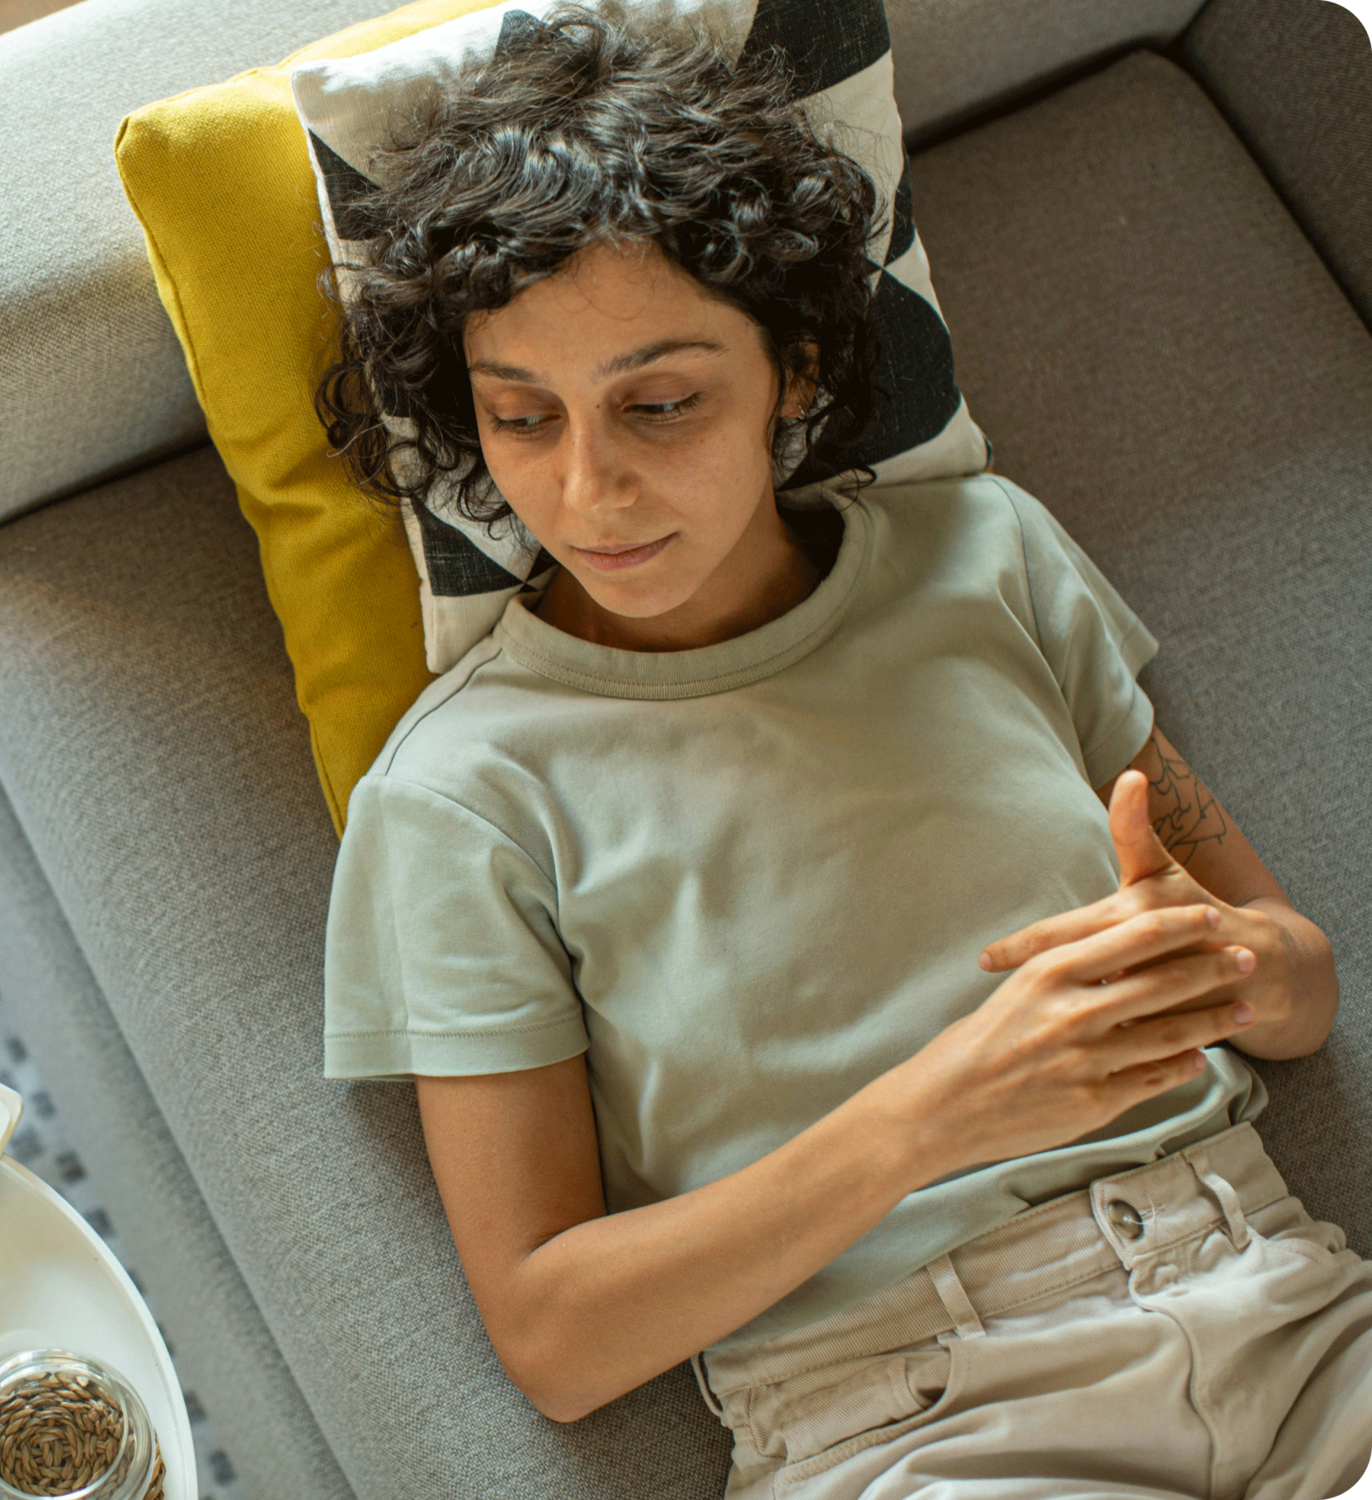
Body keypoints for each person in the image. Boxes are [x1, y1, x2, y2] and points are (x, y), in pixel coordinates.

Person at [316, 8, 1372, 1496]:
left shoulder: (987, 552)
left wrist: (1235, 967)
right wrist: (952, 1102)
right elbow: (556, 1338)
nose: (587, 486)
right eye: (520, 416)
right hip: (921, 1422)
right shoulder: (460, 800)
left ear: (795, 372)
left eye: (661, 403)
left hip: (1285, 1303)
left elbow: (1299, 984)